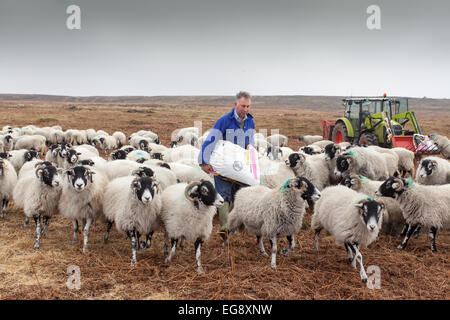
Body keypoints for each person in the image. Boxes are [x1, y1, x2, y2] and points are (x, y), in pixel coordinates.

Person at [198, 91, 255, 239]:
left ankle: (233, 227)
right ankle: (225, 228)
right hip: (223, 165)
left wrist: (250, 146)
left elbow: (250, 139)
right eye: (243, 106)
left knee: (239, 195)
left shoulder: (250, 121)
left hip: (240, 166)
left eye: (248, 106)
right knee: (223, 194)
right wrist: (203, 161)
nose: (246, 109)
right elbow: (211, 139)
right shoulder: (224, 121)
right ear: (236, 104)